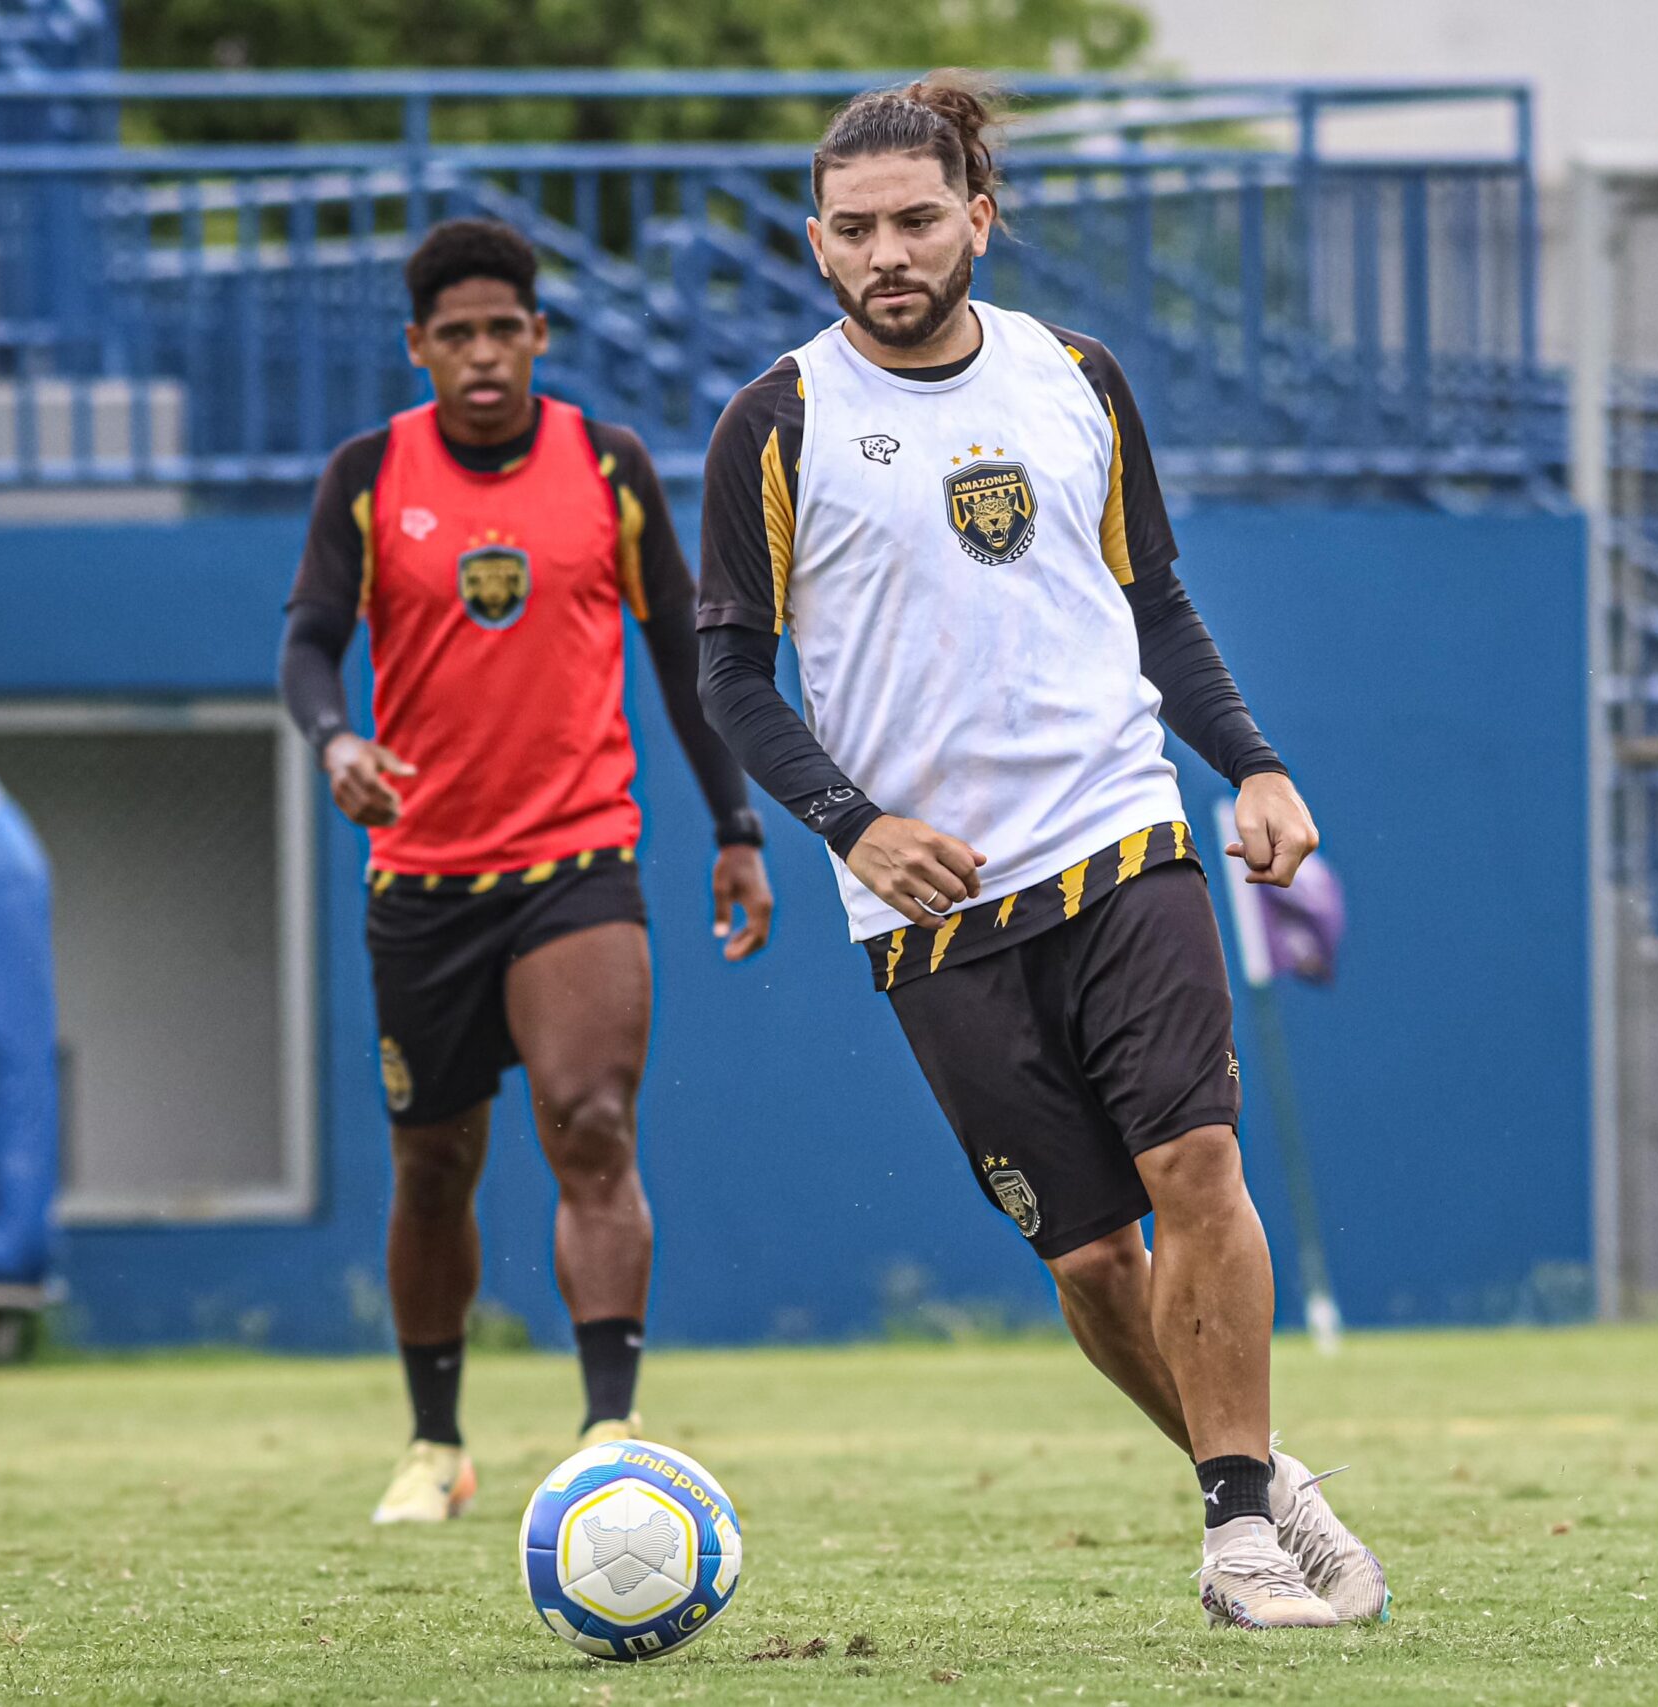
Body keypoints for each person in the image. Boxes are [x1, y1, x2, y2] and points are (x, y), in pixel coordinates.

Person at [695, 75, 1387, 1629]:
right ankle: (1269, 1480)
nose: (891, 251)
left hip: (1115, 834)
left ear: (979, 219)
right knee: (1089, 1257)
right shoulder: (779, 421)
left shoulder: (1077, 376)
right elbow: (733, 672)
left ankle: (1228, 1536)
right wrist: (856, 821)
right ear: (816, 242)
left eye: (919, 220)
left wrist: (1255, 763)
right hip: (925, 904)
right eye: (857, 228)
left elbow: (1155, 603)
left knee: (1195, 1162)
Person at [279, 219, 776, 1522]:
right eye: (457, 335)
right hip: (423, 877)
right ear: (419, 348)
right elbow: (311, 644)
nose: (485, 355)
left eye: (506, 329)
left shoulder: (606, 465)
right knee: (435, 1161)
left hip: (578, 860)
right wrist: (336, 742)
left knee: (593, 1120)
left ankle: (610, 1426)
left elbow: (684, 655)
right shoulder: (369, 475)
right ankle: (435, 1442)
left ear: (541, 335)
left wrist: (736, 826)